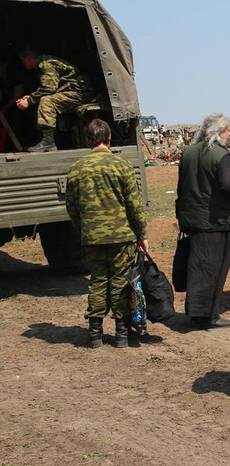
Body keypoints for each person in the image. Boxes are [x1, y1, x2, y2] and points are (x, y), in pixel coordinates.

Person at [65, 119, 148, 348]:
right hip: (121, 237)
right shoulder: (121, 166)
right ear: (109, 139)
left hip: (92, 237)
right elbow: (134, 205)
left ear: (88, 140)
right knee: (121, 282)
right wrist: (142, 234)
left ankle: (95, 335)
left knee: (98, 281)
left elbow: (71, 206)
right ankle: (121, 335)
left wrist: (83, 230)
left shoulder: (76, 169)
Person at [176, 113, 230, 329]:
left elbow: (182, 184)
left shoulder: (188, 153)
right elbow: (228, 185)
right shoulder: (220, 155)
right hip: (217, 221)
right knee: (215, 269)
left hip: (192, 219)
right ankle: (210, 315)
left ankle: (195, 312)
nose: (229, 135)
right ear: (219, 132)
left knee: (197, 267)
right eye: (228, 131)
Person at [14, 46, 95, 152]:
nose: (23, 64)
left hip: (80, 94)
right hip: (73, 92)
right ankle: (48, 140)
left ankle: (48, 143)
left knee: (47, 101)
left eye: (22, 60)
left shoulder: (45, 64)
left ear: (29, 57)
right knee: (45, 100)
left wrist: (29, 100)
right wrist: (30, 97)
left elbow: (49, 88)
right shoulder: (43, 62)